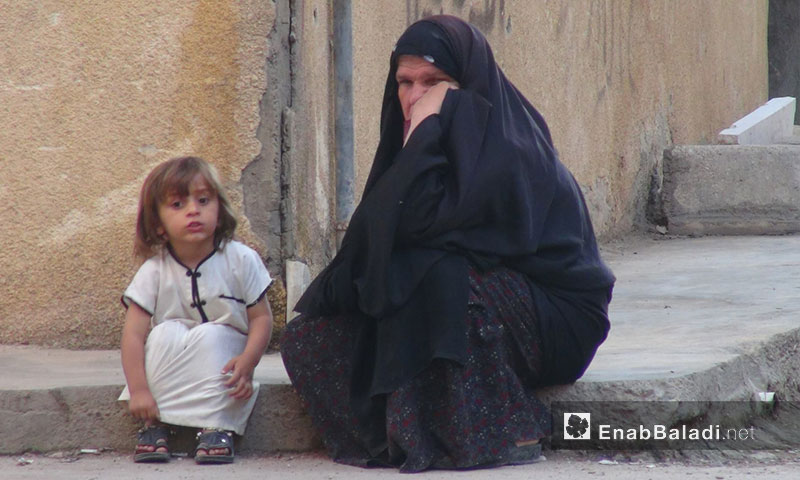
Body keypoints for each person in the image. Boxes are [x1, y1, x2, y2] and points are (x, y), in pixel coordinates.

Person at [281, 15, 615, 472]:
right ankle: (399, 433)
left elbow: (425, 229)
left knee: (433, 274)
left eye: (434, 82)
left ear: (467, 84)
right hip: (466, 297)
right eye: (405, 82)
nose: (415, 97)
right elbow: (370, 245)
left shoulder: (512, 149)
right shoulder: (407, 151)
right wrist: (423, 142)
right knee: (312, 335)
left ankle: (508, 425)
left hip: (554, 318)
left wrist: (427, 132)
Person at [119, 156, 273, 464]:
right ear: (158, 226)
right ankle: (155, 423)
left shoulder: (241, 259)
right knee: (163, 333)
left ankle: (217, 426)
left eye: (203, 200)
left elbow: (262, 318)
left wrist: (249, 361)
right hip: (176, 360)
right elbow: (134, 336)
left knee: (212, 335)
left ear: (220, 208)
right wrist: (138, 391)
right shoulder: (154, 270)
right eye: (177, 205)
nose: (194, 210)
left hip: (224, 358)